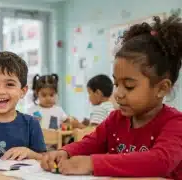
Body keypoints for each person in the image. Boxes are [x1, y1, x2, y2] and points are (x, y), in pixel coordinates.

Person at [41, 13, 182, 179]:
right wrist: (65, 152)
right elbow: (90, 143)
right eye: (116, 84)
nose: (118, 94)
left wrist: (92, 163)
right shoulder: (116, 120)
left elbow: (160, 162)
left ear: (162, 88)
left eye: (129, 86)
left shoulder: (175, 124)